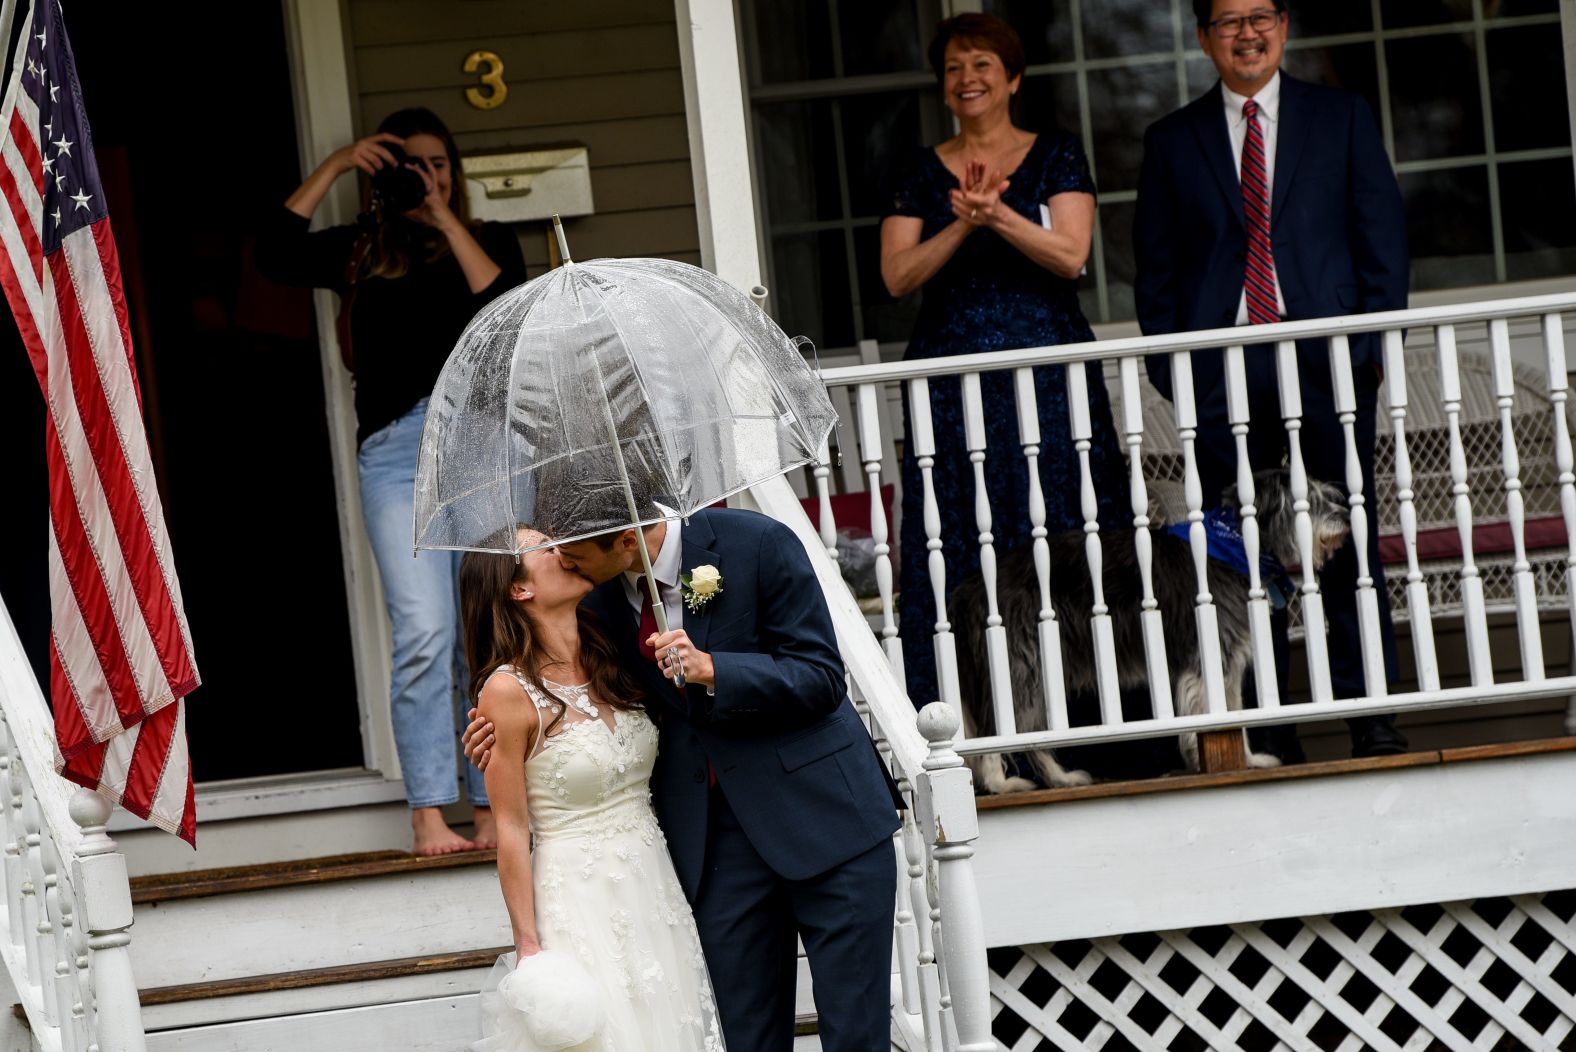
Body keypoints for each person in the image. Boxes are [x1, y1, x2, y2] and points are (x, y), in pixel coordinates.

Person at [465, 505, 901, 1051]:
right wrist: (498, 737)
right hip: (711, 852)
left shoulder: (758, 542)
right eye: (552, 550)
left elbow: (820, 676)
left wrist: (716, 669)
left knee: (857, 1037)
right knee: (742, 1039)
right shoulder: (594, 601)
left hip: (828, 823)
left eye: (571, 549)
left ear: (625, 540)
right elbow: (549, 691)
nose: (563, 556)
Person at [1132, 0, 1409, 760]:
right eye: (1228, 21)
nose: (1246, 33)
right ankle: (1275, 731)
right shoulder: (1171, 141)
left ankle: (1372, 718)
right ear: (1203, 38)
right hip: (1220, 383)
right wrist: (1175, 373)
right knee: (1240, 563)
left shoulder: (1340, 118)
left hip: (1326, 369)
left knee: (1349, 549)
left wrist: (1369, 356)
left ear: (1284, 27)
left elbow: (1381, 243)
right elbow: (1154, 277)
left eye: (1261, 16)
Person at [256, 107, 528, 853]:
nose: (426, 176)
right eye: (411, 165)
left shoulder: (488, 240)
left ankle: (490, 803)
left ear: (455, 171)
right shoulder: (359, 251)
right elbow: (273, 254)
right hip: (396, 453)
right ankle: (429, 812)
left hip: (481, 445)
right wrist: (340, 163)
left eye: (439, 164)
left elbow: (502, 308)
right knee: (425, 630)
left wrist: (442, 215)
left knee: (491, 630)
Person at [879, 13, 1125, 719]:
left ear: (1012, 78)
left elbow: (1071, 255)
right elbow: (897, 276)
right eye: (955, 68)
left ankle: (1090, 712)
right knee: (956, 537)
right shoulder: (921, 171)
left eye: (983, 64)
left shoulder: (1056, 156)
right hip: (952, 381)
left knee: (1062, 524)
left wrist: (1000, 213)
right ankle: (961, 713)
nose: (968, 79)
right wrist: (960, 221)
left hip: (1047, 377)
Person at [461, 528, 724, 1050]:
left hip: (654, 885)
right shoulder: (506, 692)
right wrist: (529, 950)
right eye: (544, 547)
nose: (563, 549)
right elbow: (511, 829)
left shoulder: (614, 653)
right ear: (518, 589)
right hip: (579, 899)